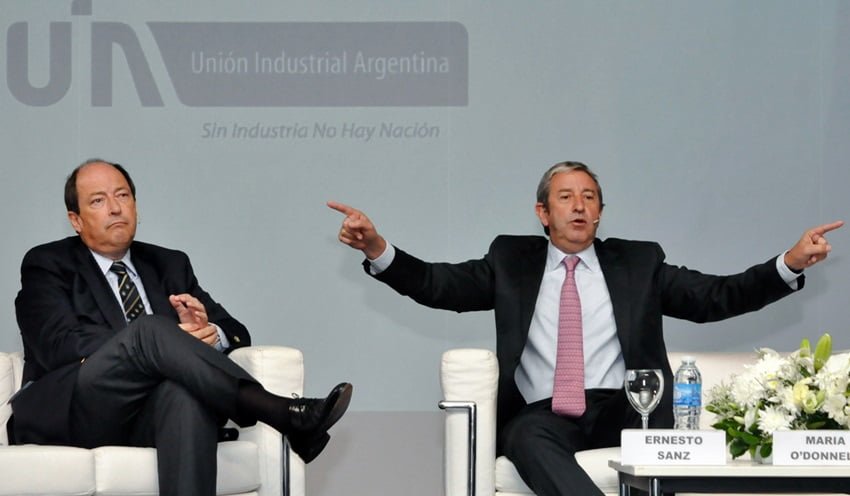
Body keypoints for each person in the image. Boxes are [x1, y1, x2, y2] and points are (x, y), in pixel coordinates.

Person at [329, 161, 843, 496]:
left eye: (591, 197)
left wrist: (790, 262)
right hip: (546, 412)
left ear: (600, 212)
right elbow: (437, 285)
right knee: (525, 435)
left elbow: (716, 296)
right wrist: (378, 248)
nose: (580, 205)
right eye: (567, 197)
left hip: (627, 406)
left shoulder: (639, 263)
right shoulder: (511, 260)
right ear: (543, 212)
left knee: (650, 442)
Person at [10, 159, 353, 496]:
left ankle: (286, 417)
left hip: (149, 411)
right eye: (98, 201)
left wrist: (210, 334)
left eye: (123, 195)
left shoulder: (169, 263)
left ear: (136, 206)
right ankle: (281, 412)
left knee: (184, 395)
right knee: (149, 331)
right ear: (76, 220)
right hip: (78, 408)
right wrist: (162, 340)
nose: (115, 208)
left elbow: (235, 331)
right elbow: (58, 345)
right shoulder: (47, 263)